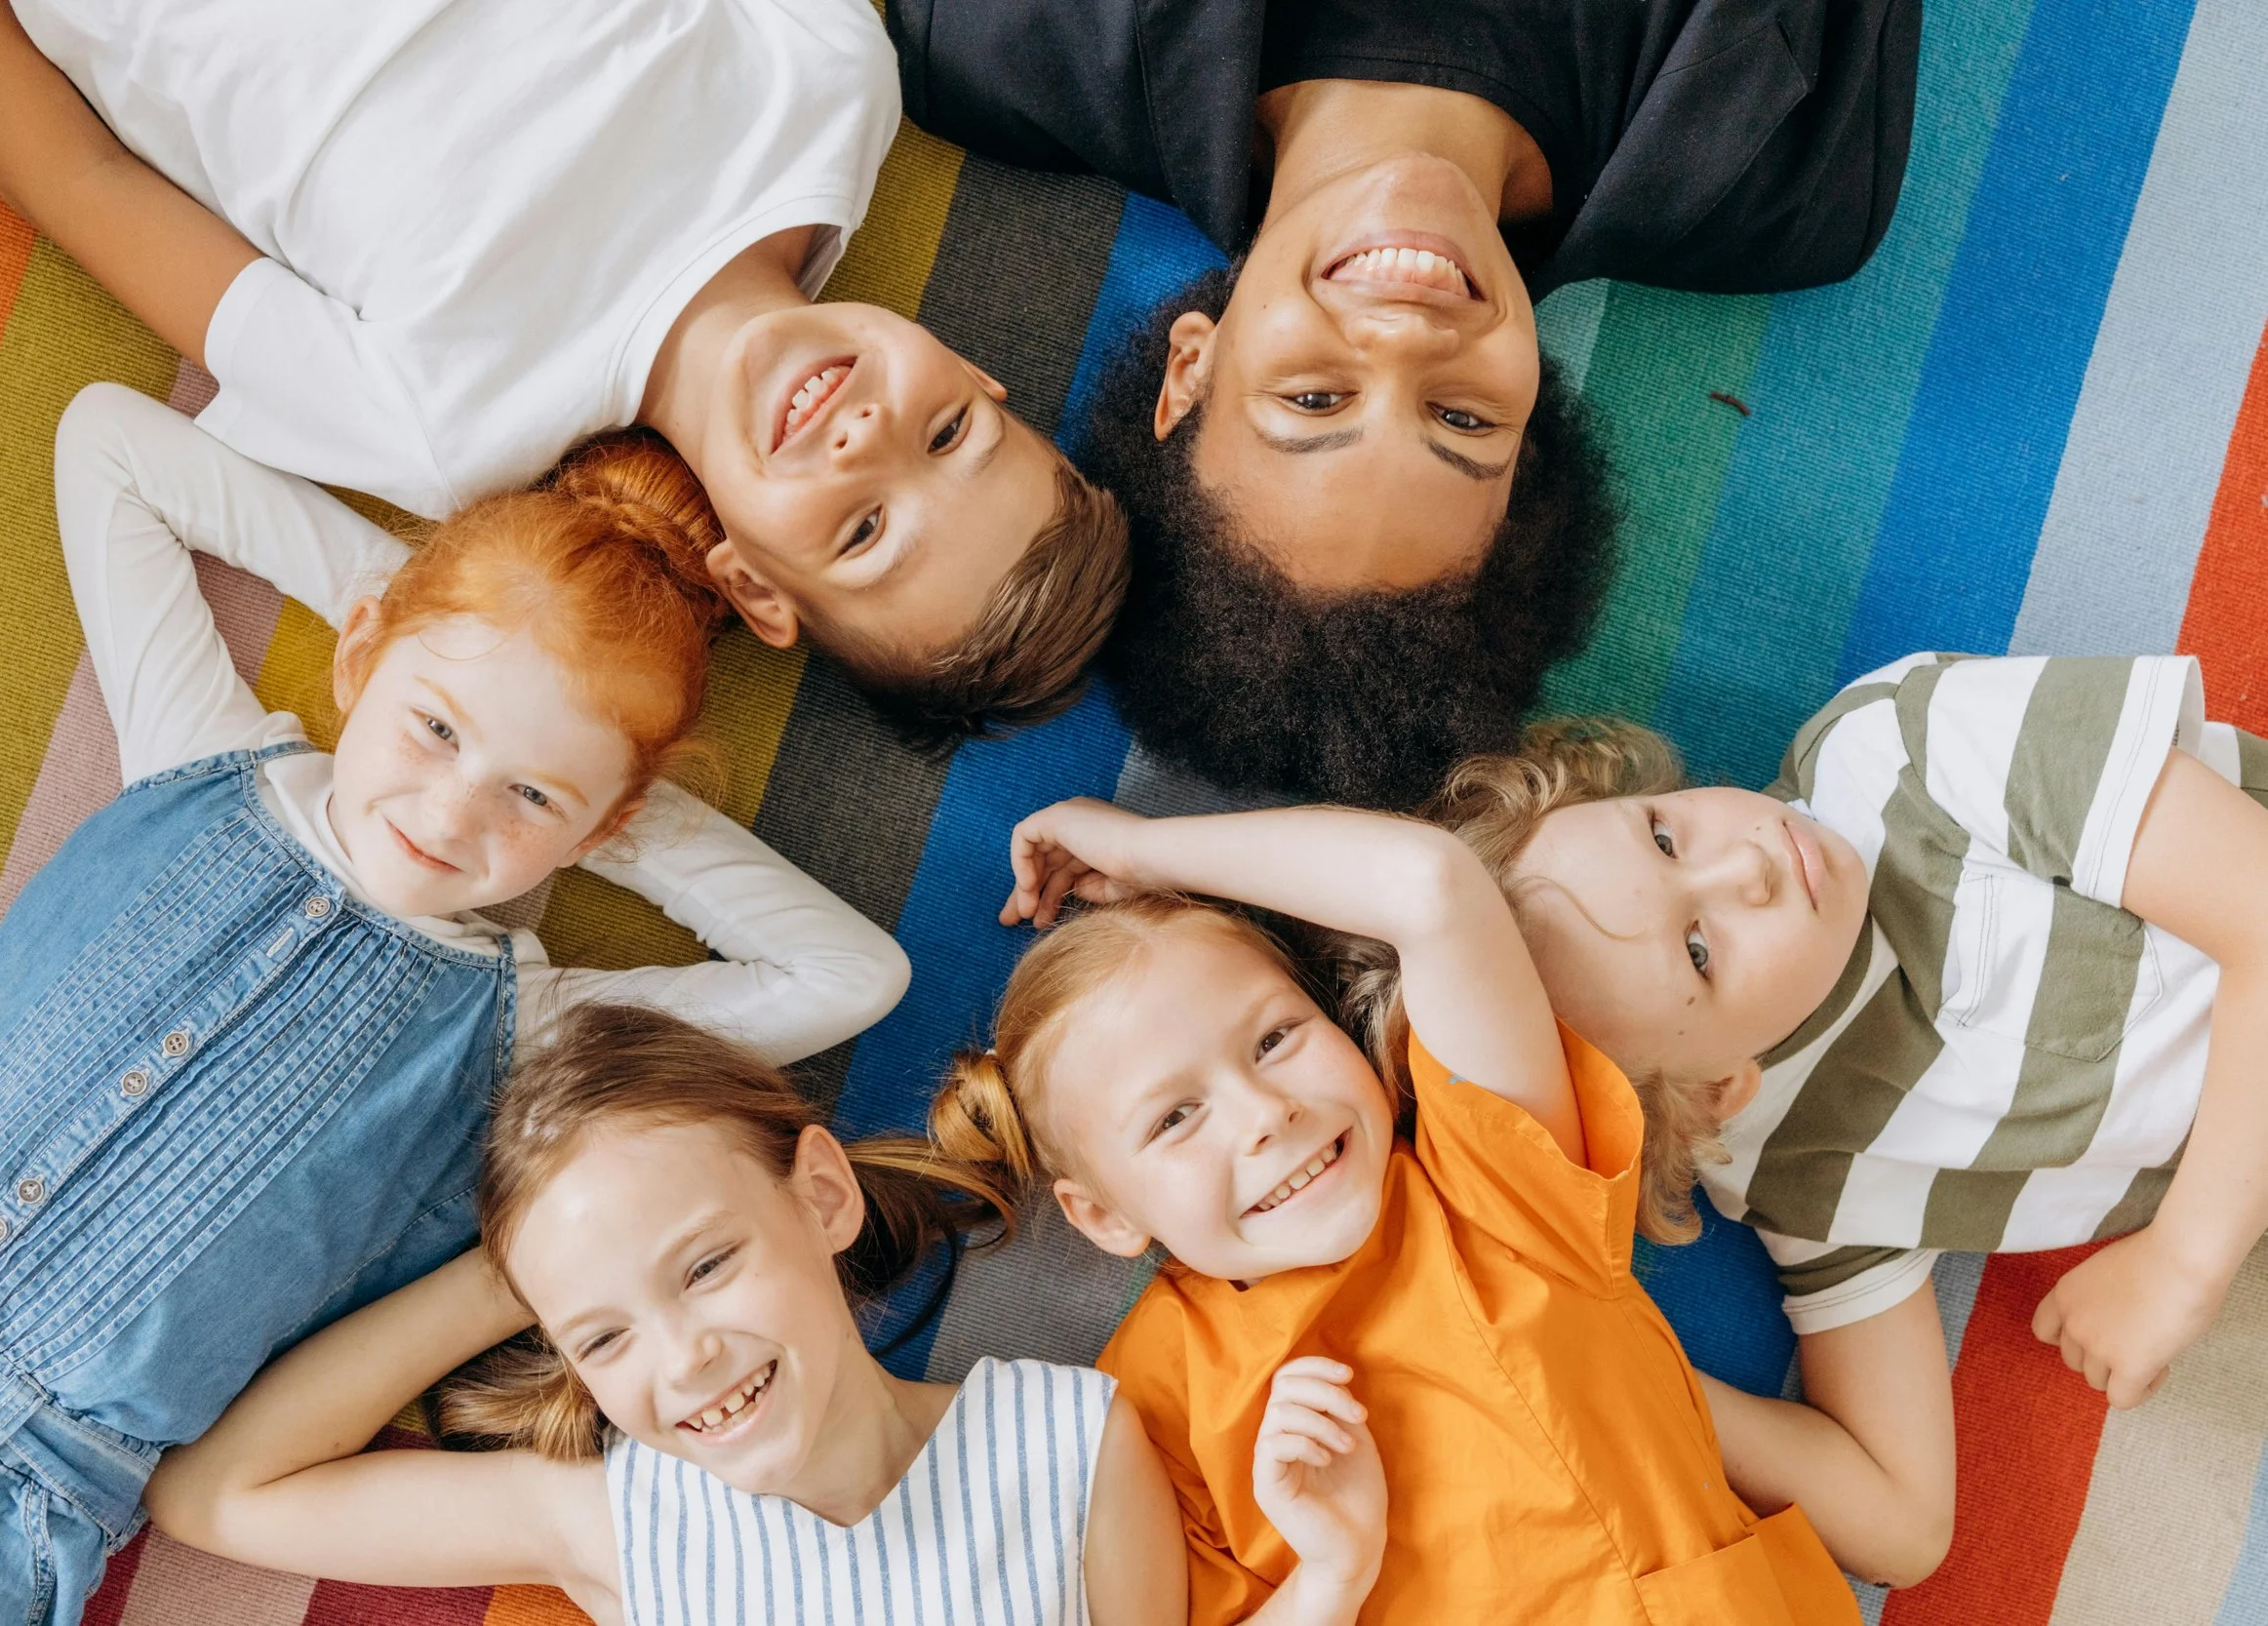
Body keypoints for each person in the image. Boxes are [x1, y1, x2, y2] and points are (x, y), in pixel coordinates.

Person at [0, 383, 911, 1625]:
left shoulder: (527, 1029)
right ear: (359, 656)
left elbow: (849, 972)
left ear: (606, 828)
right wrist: (440, 624)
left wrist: (601, 782)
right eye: (434, 726)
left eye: (532, 800)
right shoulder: (198, 751)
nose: (453, 814)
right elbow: (109, 443)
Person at [0, 0, 1130, 742]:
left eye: (863, 530)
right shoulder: (833, 86)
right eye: (950, 434)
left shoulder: (449, 436)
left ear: (752, 585)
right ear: (973, 367)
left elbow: (80, 183)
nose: (870, 439)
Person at [892, 0, 1921, 804]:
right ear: (1530, 461)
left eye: (1312, 397)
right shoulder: (1787, 183)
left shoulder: (994, 43)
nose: (1405, 331)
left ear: (1189, 372)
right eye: (1462, 422)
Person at [1409, 653, 2268, 1586]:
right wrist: (1613, 1366)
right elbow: (1900, 1522)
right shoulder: (1788, 1160)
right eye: (1698, 950)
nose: (1748, 861)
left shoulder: (1903, 747)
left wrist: (2184, 1258)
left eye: (1663, 835)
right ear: (1711, 1093)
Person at [930, 798, 1865, 1620]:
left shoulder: (1491, 1185)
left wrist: (1147, 849)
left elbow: (1433, 883)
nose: (1267, 1115)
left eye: (1275, 1038)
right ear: (1102, 1215)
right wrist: (1331, 1576)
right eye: (1175, 1117)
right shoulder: (1148, 1413)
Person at [142, 1002, 1370, 1625]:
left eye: (703, 1264)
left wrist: (1330, 1567)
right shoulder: (621, 1520)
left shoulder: (1070, 1444)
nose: (683, 1358)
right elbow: (217, 1491)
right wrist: (516, 1273)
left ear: (822, 1195)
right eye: (603, 1336)